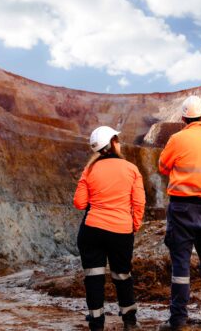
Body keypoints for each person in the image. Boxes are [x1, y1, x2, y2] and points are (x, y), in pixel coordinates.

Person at [157, 96, 201, 330]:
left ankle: (178, 321)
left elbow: (163, 167)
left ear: (183, 118)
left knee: (181, 265)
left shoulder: (177, 138)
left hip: (181, 207)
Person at [73, 126, 146, 331]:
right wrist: (135, 225)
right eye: (117, 139)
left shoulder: (89, 170)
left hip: (92, 230)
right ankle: (130, 322)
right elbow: (139, 202)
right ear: (113, 142)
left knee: (94, 277)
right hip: (121, 231)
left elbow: (79, 203)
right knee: (122, 276)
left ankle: (96, 324)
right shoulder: (130, 168)